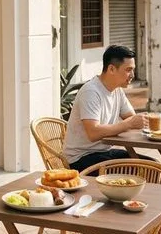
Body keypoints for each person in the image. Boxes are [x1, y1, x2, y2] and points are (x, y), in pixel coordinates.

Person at [63, 45, 151, 173]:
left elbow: (132, 118)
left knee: (152, 165)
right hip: (80, 159)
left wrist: (139, 122)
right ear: (111, 69)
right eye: (128, 70)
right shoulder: (91, 92)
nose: (132, 75)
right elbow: (93, 133)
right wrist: (129, 124)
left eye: (133, 70)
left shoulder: (117, 90)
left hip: (103, 152)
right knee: (145, 171)